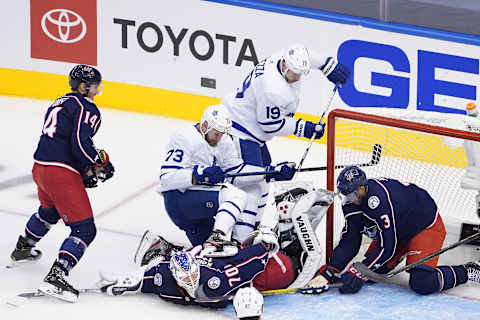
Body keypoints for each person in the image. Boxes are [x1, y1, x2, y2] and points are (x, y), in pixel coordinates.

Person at [8, 65, 115, 303]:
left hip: (40, 167)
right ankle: (58, 274)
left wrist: (85, 170)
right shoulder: (85, 106)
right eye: (94, 85)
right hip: (59, 171)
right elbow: (79, 141)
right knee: (85, 230)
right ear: (83, 86)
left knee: (51, 210)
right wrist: (96, 162)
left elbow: (65, 139)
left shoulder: (60, 101)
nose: (97, 89)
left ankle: (24, 246)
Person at [222, 44, 350, 232]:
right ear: (284, 66)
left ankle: (253, 227)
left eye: (300, 74)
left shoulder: (283, 57)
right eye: (294, 73)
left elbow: (306, 53)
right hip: (240, 131)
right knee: (253, 186)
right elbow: (269, 125)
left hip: (250, 132)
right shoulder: (273, 90)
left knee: (264, 181)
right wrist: (303, 128)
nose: (296, 78)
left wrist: (327, 65)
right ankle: (239, 236)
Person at [305, 166, 480, 295]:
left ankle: (468, 270)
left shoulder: (378, 200)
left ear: (363, 187)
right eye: (347, 194)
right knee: (374, 274)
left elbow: (387, 247)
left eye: (354, 193)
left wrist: (358, 272)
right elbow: (350, 240)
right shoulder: (350, 204)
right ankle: (403, 253)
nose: (351, 198)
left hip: (424, 227)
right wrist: (330, 271)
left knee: (422, 283)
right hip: (397, 231)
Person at [157, 104, 296, 256]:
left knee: (209, 256)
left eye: (222, 133)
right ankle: (217, 238)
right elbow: (166, 178)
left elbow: (236, 172)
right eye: (216, 133)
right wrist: (198, 174)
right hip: (179, 200)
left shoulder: (223, 141)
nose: (220, 137)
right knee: (236, 195)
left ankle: (163, 250)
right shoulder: (185, 138)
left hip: (200, 209)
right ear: (204, 126)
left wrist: (269, 172)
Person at [96, 227, 280, 308]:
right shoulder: (166, 278)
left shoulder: (167, 280)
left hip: (208, 254)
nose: (190, 284)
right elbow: (143, 279)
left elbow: (243, 261)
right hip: (208, 257)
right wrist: (125, 283)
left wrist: (263, 247)